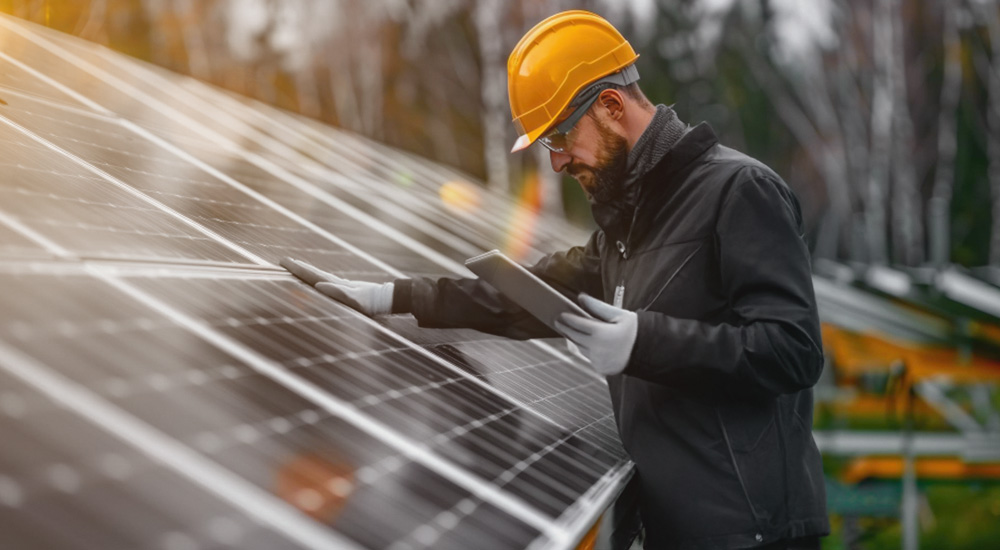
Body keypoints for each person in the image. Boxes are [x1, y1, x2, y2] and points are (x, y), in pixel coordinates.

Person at [283, 10, 829, 550]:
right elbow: (523, 298)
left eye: (561, 137)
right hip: (678, 529)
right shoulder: (628, 227)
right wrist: (392, 296)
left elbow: (794, 349)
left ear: (611, 106)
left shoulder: (739, 191)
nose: (558, 162)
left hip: (753, 531)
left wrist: (645, 340)